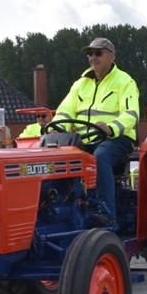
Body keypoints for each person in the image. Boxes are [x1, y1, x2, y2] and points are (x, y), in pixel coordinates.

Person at [51, 37, 139, 226]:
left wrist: (112, 128)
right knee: (57, 157)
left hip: (117, 137)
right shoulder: (80, 84)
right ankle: (64, 210)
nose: (93, 57)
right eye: (90, 54)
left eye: (98, 53)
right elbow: (64, 111)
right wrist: (55, 129)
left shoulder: (124, 81)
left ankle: (106, 215)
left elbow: (131, 113)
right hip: (85, 139)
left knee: (100, 156)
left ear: (112, 56)